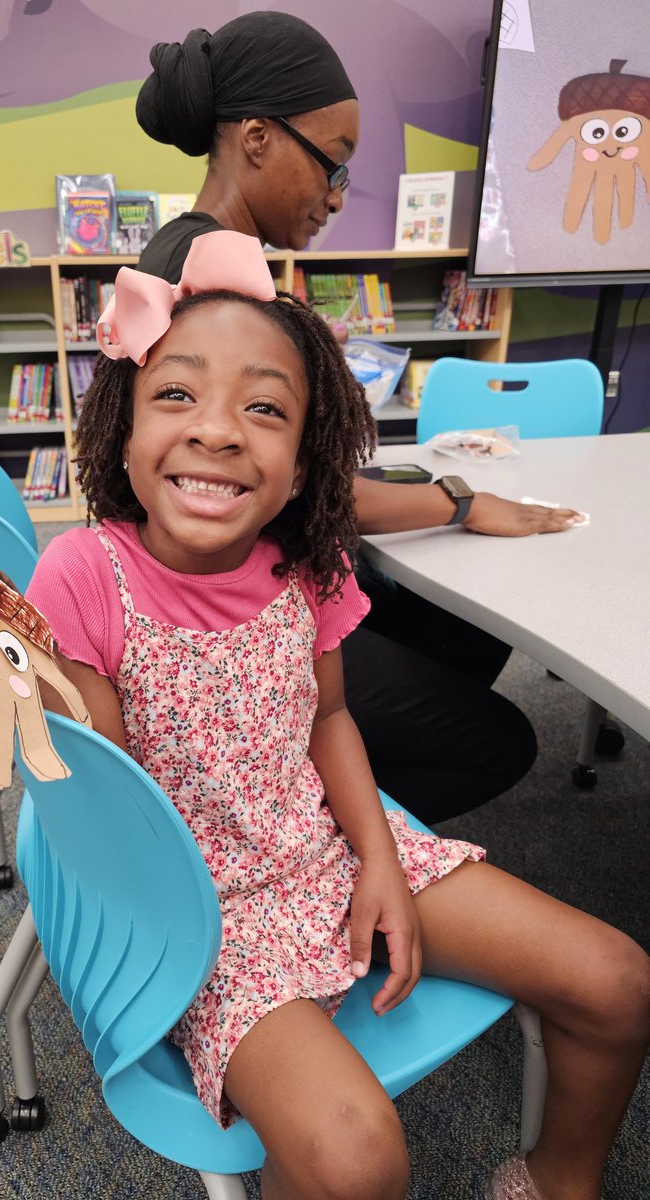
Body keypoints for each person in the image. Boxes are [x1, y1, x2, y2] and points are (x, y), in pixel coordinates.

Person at [22, 231, 648, 1200]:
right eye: (176, 394)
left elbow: (329, 722)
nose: (218, 431)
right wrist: (31, 692)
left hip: (324, 850)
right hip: (203, 916)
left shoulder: (305, 567)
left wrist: (382, 858)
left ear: (309, 463)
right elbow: (107, 808)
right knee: (356, 1162)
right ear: (123, 429)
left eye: (264, 408)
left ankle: (555, 1181)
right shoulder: (82, 575)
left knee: (616, 981)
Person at [131, 11, 596, 824]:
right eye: (332, 163)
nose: (337, 195)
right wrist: (459, 501)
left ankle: (312, 781)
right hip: (233, 626)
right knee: (498, 743)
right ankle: (283, 834)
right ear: (257, 138)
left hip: (241, 592)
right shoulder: (217, 281)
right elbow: (303, 493)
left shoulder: (197, 255)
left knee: (471, 625)